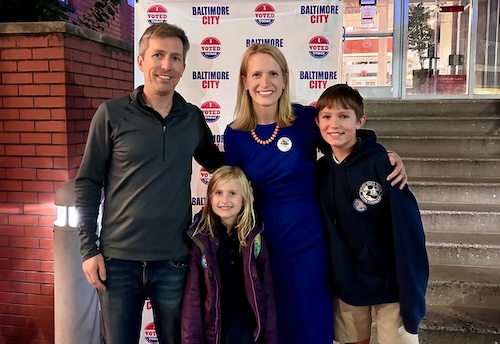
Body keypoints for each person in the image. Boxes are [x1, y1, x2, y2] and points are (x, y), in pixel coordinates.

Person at [223, 43, 408, 344]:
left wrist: (384, 155)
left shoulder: (306, 120)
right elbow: (232, 193)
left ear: (284, 78)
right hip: (263, 247)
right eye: (256, 74)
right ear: (245, 80)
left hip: (311, 243)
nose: (265, 82)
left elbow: (349, 143)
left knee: (312, 326)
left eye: (273, 73)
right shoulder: (234, 134)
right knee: (273, 327)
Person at [74, 23, 224, 344]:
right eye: (158, 55)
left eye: (175, 58)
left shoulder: (192, 118)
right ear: (141, 61)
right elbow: (87, 183)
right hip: (117, 263)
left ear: (184, 66)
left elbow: (222, 168)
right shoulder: (111, 114)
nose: (166, 65)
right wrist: (88, 250)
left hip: (174, 262)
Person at [315, 84, 429, 344]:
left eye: (344, 116)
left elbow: (409, 232)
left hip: (391, 286)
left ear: (360, 121)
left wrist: (412, 290)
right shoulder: (320, 172)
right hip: (348, 285)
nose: (335, 124)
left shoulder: (382, 165)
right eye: (327, 116)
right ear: (318, 122)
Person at [181, 165, 277, 344]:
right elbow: (192, 299)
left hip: (245, 330)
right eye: (218, 193)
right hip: (214, 329)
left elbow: (268, 295)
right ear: (210, 197)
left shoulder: (255, 239)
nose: (225, 199)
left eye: (233, 193)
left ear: (244, 198)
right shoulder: (200, 240)